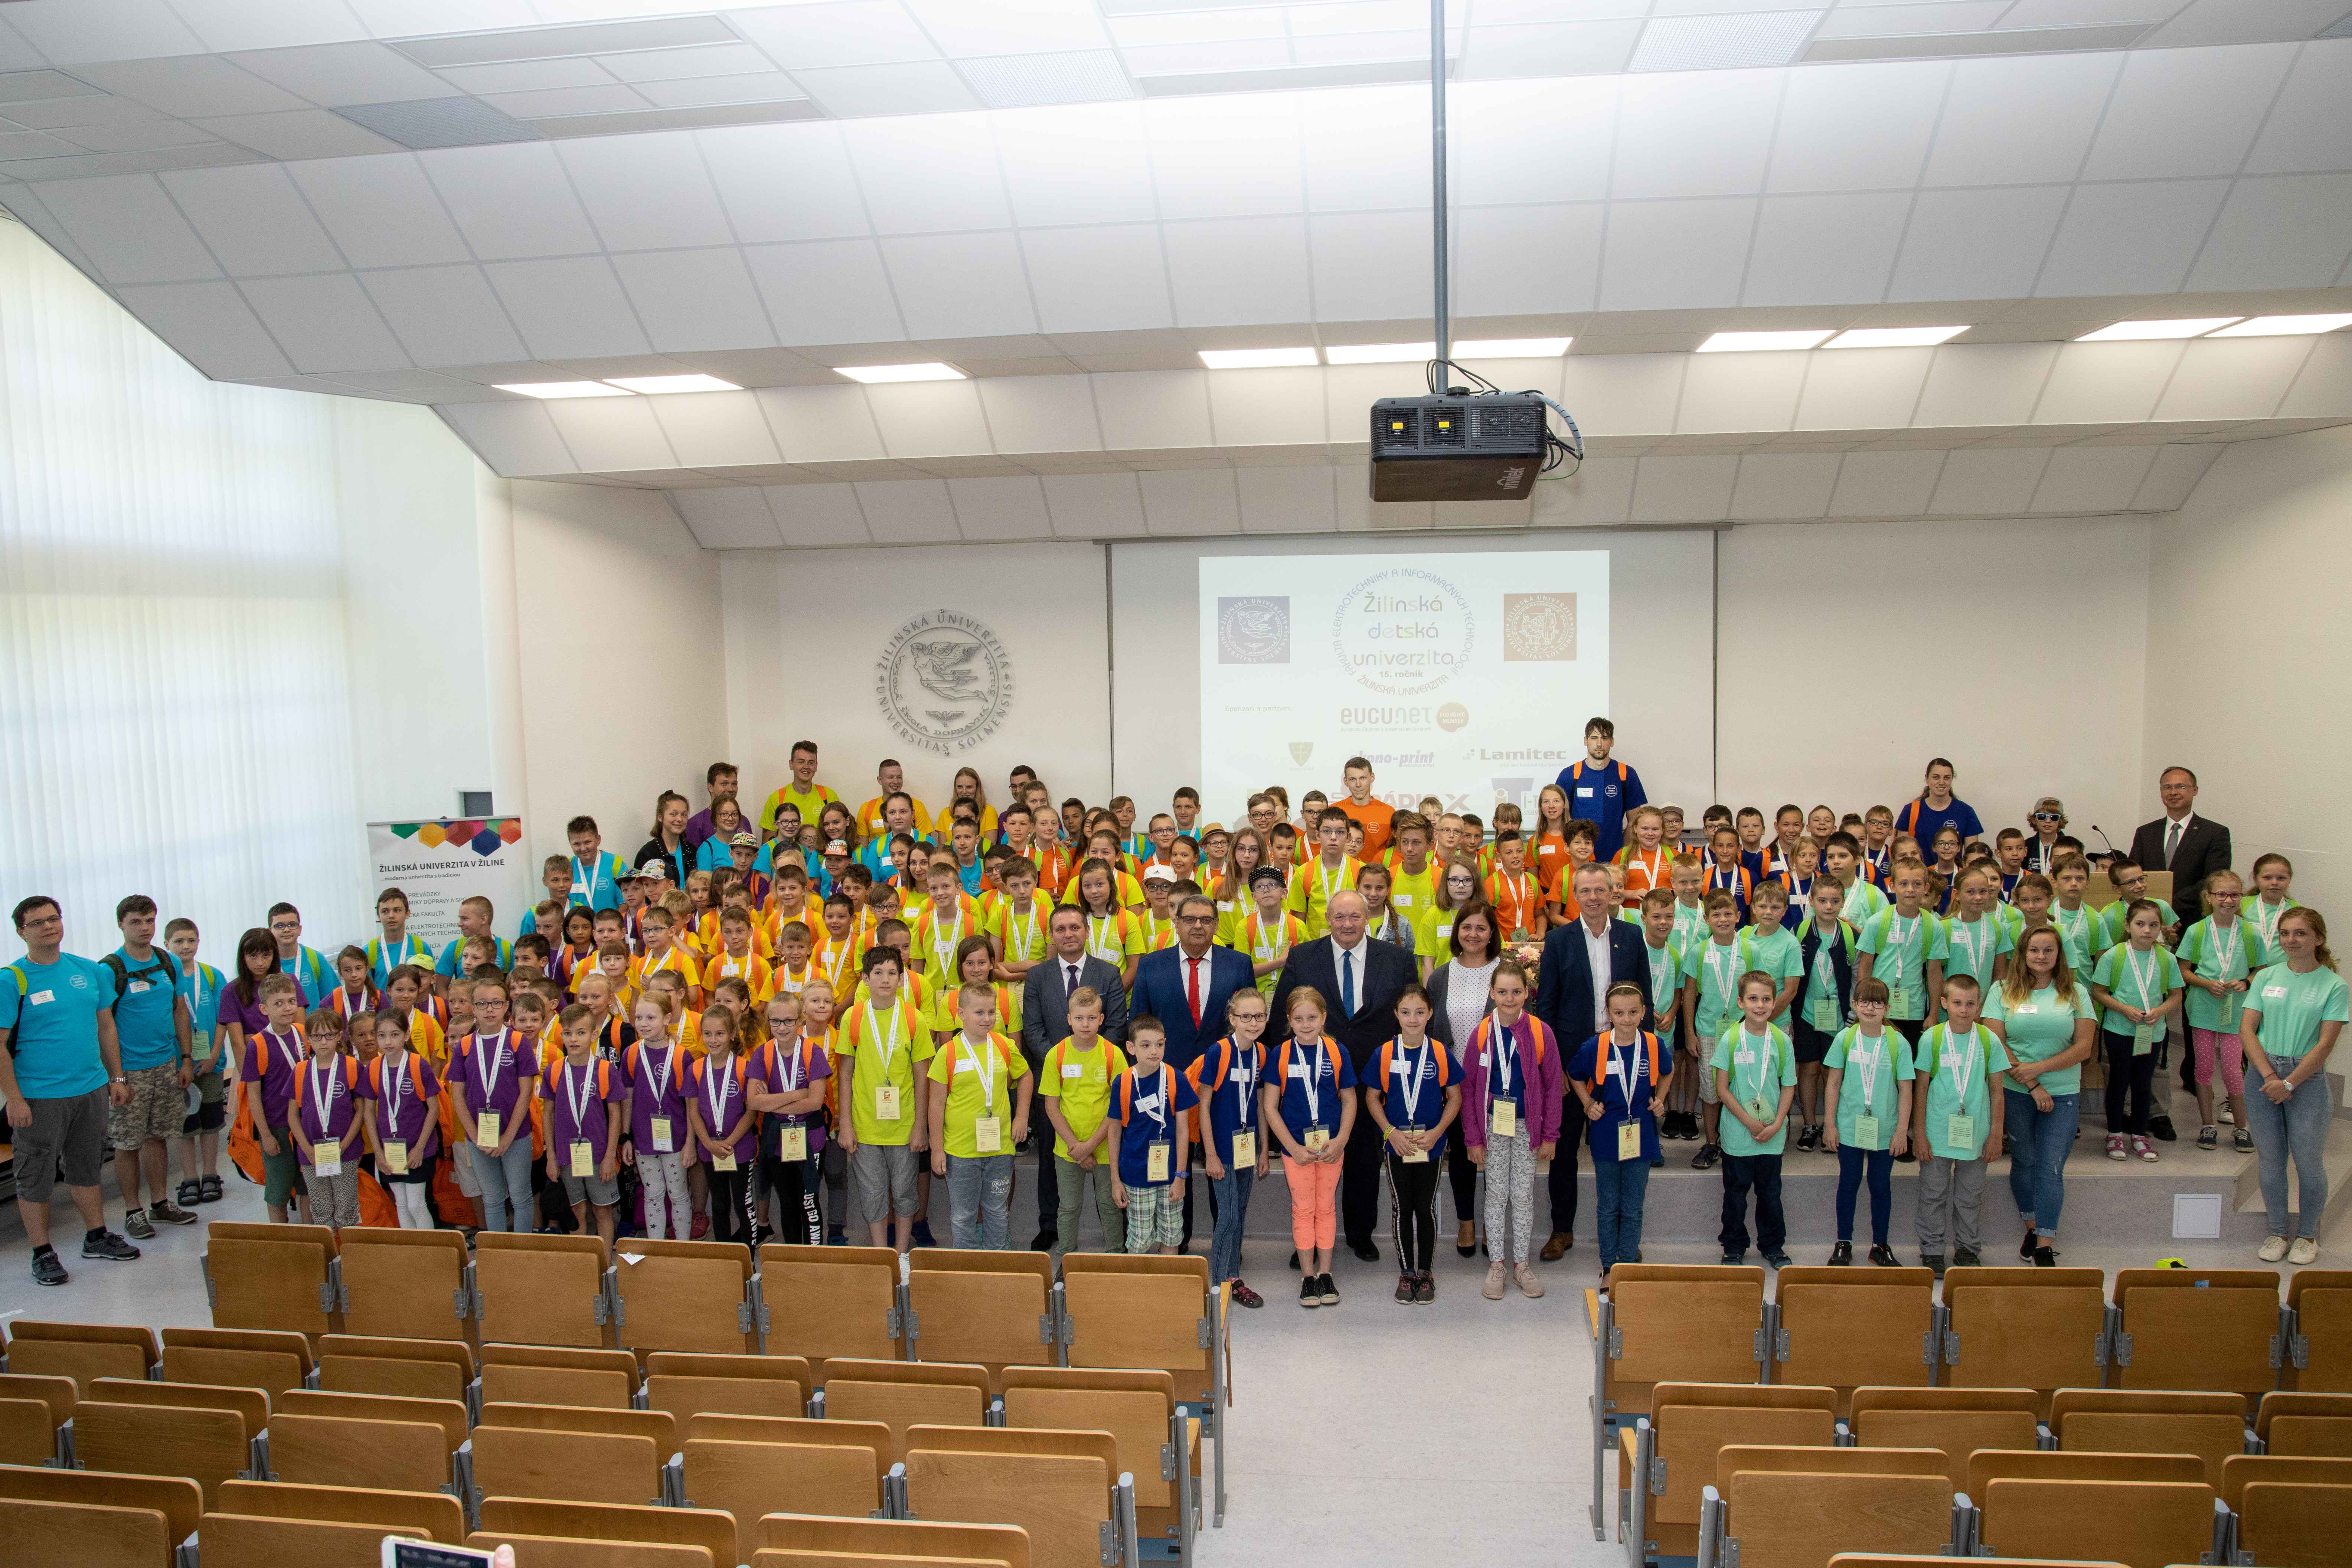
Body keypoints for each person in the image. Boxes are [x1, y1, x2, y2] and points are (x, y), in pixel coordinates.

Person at [1269, 889, 1416, 1262]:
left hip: (1372, 1079)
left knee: (1365, 1158)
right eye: (1340, 917)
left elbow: (1409, 1018)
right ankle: (1308, 1242)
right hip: (1311, 1082)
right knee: (1312, 1163)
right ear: (1327, 919)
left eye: (1355, 916)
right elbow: (1283, 1016)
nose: (1347, 924)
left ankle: (1360, 1234)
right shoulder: (1303, 957)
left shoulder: (1397, 959)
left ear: (1367, 918)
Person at [1, 896, 140, 1286]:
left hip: (91, 1089)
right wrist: (14, 1099)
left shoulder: (89, 970)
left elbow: (106, 1027)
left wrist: (117, 1078)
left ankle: (96, 1237)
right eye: (38, 923)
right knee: (35, 1175)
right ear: (21, 932)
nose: (49, 926)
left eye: (54, 918)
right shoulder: (12, 980)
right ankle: (43, 1253)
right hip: (39, 1096)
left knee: (87, 1166)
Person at [1532, 861, 1654, 1261]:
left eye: (1600, 890)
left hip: (1623, 1061)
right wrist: (1554, 1067)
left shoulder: (1632, 937)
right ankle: (1561, 1230)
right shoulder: (1559, 940)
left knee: (1623, 1150)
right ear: (1574, 896)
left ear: (1613, 893)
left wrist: (1645, 1065)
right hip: (1573, 1062)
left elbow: (1645, 1002)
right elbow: (1546, 1008)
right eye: (1585, 891)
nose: (1594, 898)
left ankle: (1622, 1238)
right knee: (1565, 1150)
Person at [1983, 926, 2097, 1267]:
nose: (2041, 956)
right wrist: (2032, 1083)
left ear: (2059, 955)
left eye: (2049, 950)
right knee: (2025, 1161)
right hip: (2017, 1091)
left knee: (2051, 1168)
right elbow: (1995, 1043)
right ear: (2023, 954)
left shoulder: (2076, 992)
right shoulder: (2001, 990)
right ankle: (2032, 1228)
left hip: (2063, 1093)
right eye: (2034, 950)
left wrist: (2040, 1069)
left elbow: (2084, 1047)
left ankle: (2045, 1245)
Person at [1020, 906, 1128, 1250]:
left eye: (1074, 927)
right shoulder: (1038, 975)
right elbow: (1033, 1029)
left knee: (1107, 1174)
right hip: (1057, 1082)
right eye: (1061, 929)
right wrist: (1063, 1058)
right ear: (1051, 936)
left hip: (1100, 1081)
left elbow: (1116, 1025)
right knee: (1051, 1159)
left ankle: (1115, 1239)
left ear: (1086, 931)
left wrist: (1089, 1056)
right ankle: (1049, 1225)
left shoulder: (1108, 972)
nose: (1068, 934)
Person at [2240, 907, 2343, 1266]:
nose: (2291, 940)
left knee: (2308, 1163)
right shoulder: (2267, 976)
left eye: (2300, 933)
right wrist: (2271, 1077)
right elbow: (2247, 1030)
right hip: (2263, 1075)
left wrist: (2289, 1082)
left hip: (2306, 1079)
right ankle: (2277, 1232)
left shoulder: (2334, 985)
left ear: (2318, 938)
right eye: (2285, 933)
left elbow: (2325, 1045)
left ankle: (2307, 1235)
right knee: (2271, 1161)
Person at [1461, 961, 1558, 1300]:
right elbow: (1469, 1089)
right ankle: (1497, 1265)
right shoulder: (1481, 1034)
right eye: (1502, 992)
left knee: (1523, 1195)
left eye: (1516, 992)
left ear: (1527, 993)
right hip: (1493, 1124)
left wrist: (1550, 1135)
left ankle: (1522, 1264)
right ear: (1492, 993)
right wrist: (1473, 1138)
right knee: (1496, 1194)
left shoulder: (1541, 1033)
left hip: (1528, 1125)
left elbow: (1553, 1087)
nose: (1509, 998)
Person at [102, 895, 197, 1238]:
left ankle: (160, 1204)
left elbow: (180, 1010)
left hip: (166, 1065)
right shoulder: (110, 970)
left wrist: (186, 1058)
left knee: (159, 1137)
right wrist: (116, 1078)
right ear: (121, 925)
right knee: (128, 1144)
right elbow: (104, 1027)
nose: (145, 928)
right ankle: (133, 1211)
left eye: (150, 921)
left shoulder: (168, 961)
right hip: (129, 1072)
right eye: (136, 922)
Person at [1361, 984, 1461, 1303]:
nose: (1413, 1019)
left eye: (1419, 1012)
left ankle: (1426, 1272)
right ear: (1396, 1015)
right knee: (1402, 1207)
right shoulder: (1385, 1053)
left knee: (1426, 1207)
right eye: (1406, 1012)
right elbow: (1372, 1098)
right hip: (1398, 1145)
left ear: (1430, 1014)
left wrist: (1438, 1133)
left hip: (1430, 1144)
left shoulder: (1440, 1052)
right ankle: (1406, 1272)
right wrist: (1390, 1132)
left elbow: (1455, 1098)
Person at [1908, 974, 2008, 1276]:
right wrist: (1920, 1134)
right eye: (1957, 1003)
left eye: (1970, 1004)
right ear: (1944, 1003)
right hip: (1937, 1134)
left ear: (1979, 1006)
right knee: (1933, 1194)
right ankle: (1932, 1250)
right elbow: (1921, 1088)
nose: (1964, 1010)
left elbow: (1997, 1091)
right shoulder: (1932, 1038)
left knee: (1970, 1196)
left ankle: (1967, 1249)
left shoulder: (1989, 1040)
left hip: (1976, 1135)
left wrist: (1996, 1135)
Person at [1263, 986, 1356, 1308]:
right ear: (1289, 1020)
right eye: (1299, 1019)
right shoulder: (1280, 1054)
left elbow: (1350, 1100)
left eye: (1312, 1018)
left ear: (1324, 1018)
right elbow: (1270, 1107)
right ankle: (1307, 1277)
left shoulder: (1337, 1052)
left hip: (1331, 1147)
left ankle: (1326, 1274)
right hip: (1296, 1150)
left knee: (1326, 1207)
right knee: (1303, 1209)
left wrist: (1342, 1140)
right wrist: (1291, 1146)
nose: (1306, 1025)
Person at [836, 947, 931, 1253]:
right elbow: (845, 1075)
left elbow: (922, 1077)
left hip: (904, 1126)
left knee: (905, 1193)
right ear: (865, 979)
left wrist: (921, 1127)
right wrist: (846, 1125)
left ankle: (901, 1254)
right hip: (865, 1126)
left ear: (902, 979)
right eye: (878, 973)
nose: (885, 979)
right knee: (872, 1193)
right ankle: (881, 1254)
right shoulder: (853, 1017)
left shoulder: (914, 1018)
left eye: (892, 973)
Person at [1571, 982, 1668, 1282]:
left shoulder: (1653, 1044)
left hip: (1642, 1135)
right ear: (1609, 1014)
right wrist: (1588, 1104)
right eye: (1619, 1013)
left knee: (1633, 1205)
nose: (1627, 1019)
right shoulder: (1596, 1046)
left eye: (1633, 1012)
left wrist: (1660, 1099)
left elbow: (1668, 1071)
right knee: (1609, 1205)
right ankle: (1608, 1266)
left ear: (1644, 1012)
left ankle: (1627, 1265)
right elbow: (1574, 1074)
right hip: (1606, 1135)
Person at [927, 981, 1032, 1249]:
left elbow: (1026, 1076)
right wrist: (937, 1149)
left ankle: (996, 1263)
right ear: (961, 1014)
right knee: (963, 1215)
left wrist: (1022, 1117)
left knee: (997, 1211)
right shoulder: (948, 1053)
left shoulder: (1004, 1045)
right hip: (961, 1152)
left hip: (1000, 1148)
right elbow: (936, 1104)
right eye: (979, 1013)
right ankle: (967, 1266)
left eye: (991, 1012)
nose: (987, 1019)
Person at [1425, 902, 1500, 1257]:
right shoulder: (1441, 976)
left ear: (1492, 934)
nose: (1473, 934)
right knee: (1461, 1155)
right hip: (1454, 1083)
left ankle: (1492, 1224)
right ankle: (1466, 1222)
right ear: (1457, 932)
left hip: (1497, 1083)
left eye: (1481, 928)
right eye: (1467, 927)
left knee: (1496, 1155)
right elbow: (1431, 1031)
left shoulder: (1507, 973)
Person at [1821, 976, 1913, 1267]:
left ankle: (1879, 1245)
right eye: (1864, 1002)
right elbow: (1833, 1083)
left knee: (1880, 1185)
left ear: (1887, 1008)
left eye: (1877, 1003)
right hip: (1849, 1127)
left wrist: (1902, 1131)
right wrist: (1830, 1124)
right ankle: (1843, 1243)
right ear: (1854, 1004)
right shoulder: (1844, 1039)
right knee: (1848, 1183)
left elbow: (1906, 1089)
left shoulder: (1898, 1043)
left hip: (1886, 1130)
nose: (1870, 1008)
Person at [2177, 869, 2266, 1152]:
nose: (2228, 900)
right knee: (2203, 1069)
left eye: (2235, 895)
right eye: (2222, 894)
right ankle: (2208, 1126)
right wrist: (2206, 984)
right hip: (2203, 1009)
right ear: (2209, 897)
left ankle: (2241, 1128)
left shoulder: (2250, 932)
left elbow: (2260, 969)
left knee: (2232, 1070)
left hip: (2236, 1011)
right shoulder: (2197, 931)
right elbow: (2183, 971)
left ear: (2241, 897)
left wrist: (2246, 982)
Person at [1712, 971, 1797, 1268]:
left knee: (1771, 1195)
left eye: (1766, 999)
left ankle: (1773, 1246)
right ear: (1741, 1002)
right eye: (1753, 999)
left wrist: (1778, 1124)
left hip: (1772, 1134)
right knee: (1735, 1195)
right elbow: (1722, 1089)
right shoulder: (1731, 1038)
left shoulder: (1782, 1041)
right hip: (1739, 1134)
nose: (1760, 1005)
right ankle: (1733, 1246)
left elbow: (1789, 1085)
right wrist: (1749, 1123)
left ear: (1774, 1003)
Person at [2089, 899, 2184, 1162]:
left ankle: (2140, 1135)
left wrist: (2160, 1011)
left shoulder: (2167, 959)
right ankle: (2114, 1133)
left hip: (2152, 1032)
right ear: (2128, 925)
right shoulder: (2114, 955)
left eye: (2154, 925)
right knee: (2119, 1082)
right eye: (2140, 924)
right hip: (2119, 1030)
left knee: (2144, 1084)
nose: (2147, 930)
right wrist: (2123, 1009)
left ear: (2161, 928)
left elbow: (2176, 995)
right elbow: (2099, 992)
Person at [1039, 985, 1129, 1262]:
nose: (1085, 1024)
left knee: (1109, 1204)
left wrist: (1089, 1146)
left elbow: (1117, 1110)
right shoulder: (1056, 1055)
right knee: (1068, 1207)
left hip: (1106, 1147)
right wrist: (1076, 1147)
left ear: (1101, 1020)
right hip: (1068, 1149)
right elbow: (1052, 1107)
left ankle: (1115, 1257)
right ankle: (1065, 1261)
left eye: (1092, 1018)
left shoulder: (1113, 1055)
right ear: (1069, 1019)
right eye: (1079, 1018)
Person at [449, 977, 538, 1233]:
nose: (490, 1009)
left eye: (496, 1003)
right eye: (483, 1003)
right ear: (473, 1008)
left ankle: (521, 1249)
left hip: (516, 1135)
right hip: (478, 1137)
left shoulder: (518, 1042)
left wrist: (508, 1137)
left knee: (521, 1196)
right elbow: (458, 1096)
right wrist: (475, 1136)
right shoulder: (465, 1046)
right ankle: (498, 1249)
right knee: (492, 1197)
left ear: (507, 1006)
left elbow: (526, 1093)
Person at [1106, 1015, 1195, 1256]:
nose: (1154, 1051)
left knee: (1172, 1232)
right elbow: (1114, 1132)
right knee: (1139, 1237)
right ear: (1131, 1047)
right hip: (1135, 1175)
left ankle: (1168, 1279)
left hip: (1170, 1174)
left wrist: (1181, 1176)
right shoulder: (1123, 1082)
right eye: (1146, 1045)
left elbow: (1183, 1131)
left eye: (1160, 1044)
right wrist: (1115, 1180)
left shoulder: (1176, 1078)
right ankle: (1140, 1281)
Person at [545, 1003, 624, 1255]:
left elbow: (616, 1115)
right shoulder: (554, 1070)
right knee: (576, 1210)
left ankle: (605, 1263)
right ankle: (583, 1264)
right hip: (567, 1156)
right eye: (568, 1033)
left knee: (602, 1211)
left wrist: (610, 1156)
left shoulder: (605, 1070)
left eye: (581, 1033)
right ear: (561, 1035)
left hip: (599, 1155)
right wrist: (551, 1157)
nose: (573, 1039)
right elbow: (548, 1115)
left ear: (593, 1035)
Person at [164, 917, 228, 1206]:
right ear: (167, 945)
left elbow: (224, 1019)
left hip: (211, 1061)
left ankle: (211, 1174)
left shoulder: (212, 976)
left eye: (191, 940)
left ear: (199, 943)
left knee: (212, 1120)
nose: (186, 946)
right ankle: (189, 1177)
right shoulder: (165, 979)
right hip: (179, 1065)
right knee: (185, 1123)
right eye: (179, 941)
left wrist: (214, 1055)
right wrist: (180, 1062)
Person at [359, 1007, 441, 1229]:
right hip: (389, 1150)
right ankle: (411, 1248)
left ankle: (429, 1247)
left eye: (394, 1035)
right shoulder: (373, 1068)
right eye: (382, 1035)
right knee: (402, 1206)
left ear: (406, 1036)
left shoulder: (418, 1065)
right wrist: (378, 1152)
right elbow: (368, 1112)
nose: (388, 1042)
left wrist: (419, 1149)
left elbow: (434, 1110)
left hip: (418, 1148)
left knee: (417, 1205)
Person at [623, 993, 696, 1241]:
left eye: (650, 1018)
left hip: (676, 1139)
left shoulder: (682, 1056)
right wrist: (626, 1137)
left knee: (679, 1195)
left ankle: (682, 1249)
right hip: (644, 1139)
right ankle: (657, 1248)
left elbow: (690, 1105)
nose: (643, 1024)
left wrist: (690, 1142)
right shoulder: (631, 1054)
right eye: (639, 1018)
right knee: (653, 1195)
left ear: (667, 1018)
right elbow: (628, 1099)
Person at [2129, 767, 2232, 931]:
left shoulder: (2215, 833)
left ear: (2195, 791)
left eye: (2181, 787)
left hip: (2193, 921)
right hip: (2148, 921)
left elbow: (2214, 880)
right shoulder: (2146, 833)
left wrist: (2168, 908)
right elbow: (2133, 874)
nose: (2173, 792)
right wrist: (2156, 909)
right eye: (2167, 787)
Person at [686, 1007, 757, 1245]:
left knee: (743, 1204)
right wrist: (708, 1144)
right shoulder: (696, 1069)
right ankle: (725, 1254)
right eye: (708, 1034)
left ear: (732, 1034)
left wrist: (729, 1143)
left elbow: (752, 1111)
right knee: (719, 1203)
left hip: (740, 1148)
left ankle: (748, 1256)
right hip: (710, 1150)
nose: (713, 1040)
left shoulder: (744, 1068)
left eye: (720, 1034)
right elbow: (693, 1112)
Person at [290, 1009, 363, 1230]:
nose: (324, 1042)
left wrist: (344, 1145)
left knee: (347, 1209)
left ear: (339, 1035)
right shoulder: (300, 1071)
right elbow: (293, 1116)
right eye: (317, 1036)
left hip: (346, 1151)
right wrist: (307, 1150)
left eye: (330, 1035)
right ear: (308, 1038)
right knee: (321, 1211)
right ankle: (329, 1247)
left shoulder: (351, 1066)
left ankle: (348, 1249)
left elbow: (361, 1111)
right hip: (311, 1153)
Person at [1554, 717, 1648, 862]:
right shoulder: (1570, 775)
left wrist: (1623, 854)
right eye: (1594, 738)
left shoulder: (1626, 774)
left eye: (1604, 738)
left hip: (1614, 860)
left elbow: (1634, 822)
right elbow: (1560, 821)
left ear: (1612, 742)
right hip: (1579, 859)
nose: (1599, 744)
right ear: (1586, 741)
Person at [1892, 758, 1983, 853]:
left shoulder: (1966, 812)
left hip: (1954, 864)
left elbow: (1972, 857)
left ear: (1952, 779)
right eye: (1936, 777)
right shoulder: (1910, 811)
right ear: (1927, 779)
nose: (1942, 782)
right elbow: (1901, 853)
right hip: (1919, 864)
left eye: (1947, 778)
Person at [759, 739, 839, 837]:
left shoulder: (829, 796)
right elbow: (769, 843)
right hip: (786, 849)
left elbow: (840, 839)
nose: (806, 767)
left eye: (811, 763)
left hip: (822, 849)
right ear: (791, 764)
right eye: (801, 762)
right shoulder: (777, 798)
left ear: (816, 766)